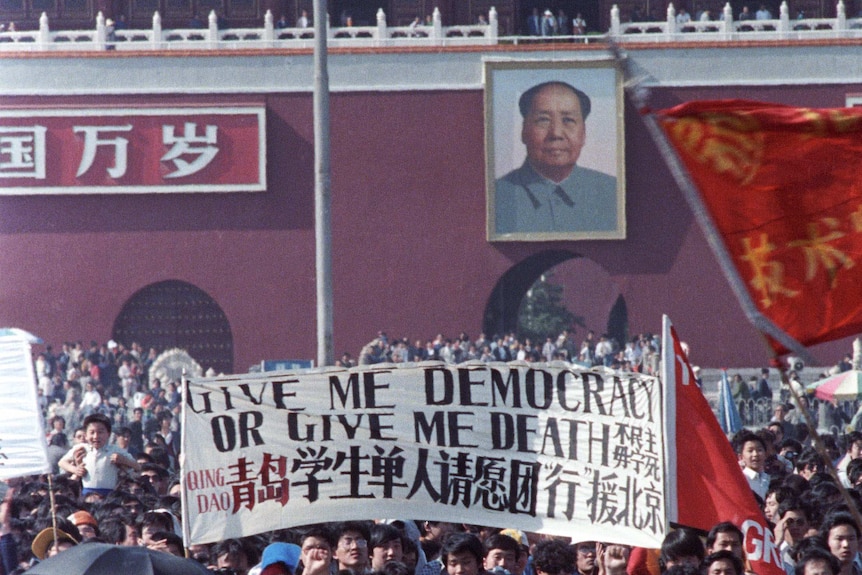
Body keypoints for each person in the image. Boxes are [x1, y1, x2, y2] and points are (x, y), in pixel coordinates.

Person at [494, 81, 617, 235]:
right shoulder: (496, 196)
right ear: (524, 131)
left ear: (583, 133)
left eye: (568, 120)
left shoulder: (614, 193)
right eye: (543, 120)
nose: (556, 133)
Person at [58, 413, 141, 497]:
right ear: (86, 435)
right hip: (87, 493)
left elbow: (137, 467)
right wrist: (75, 469)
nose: (96, 436)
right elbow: (62, 462)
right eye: (92, 432)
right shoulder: (82, 448)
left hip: (108, 494)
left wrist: (123, 460)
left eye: (100, 432)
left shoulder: (115, 450)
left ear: (108, 434)